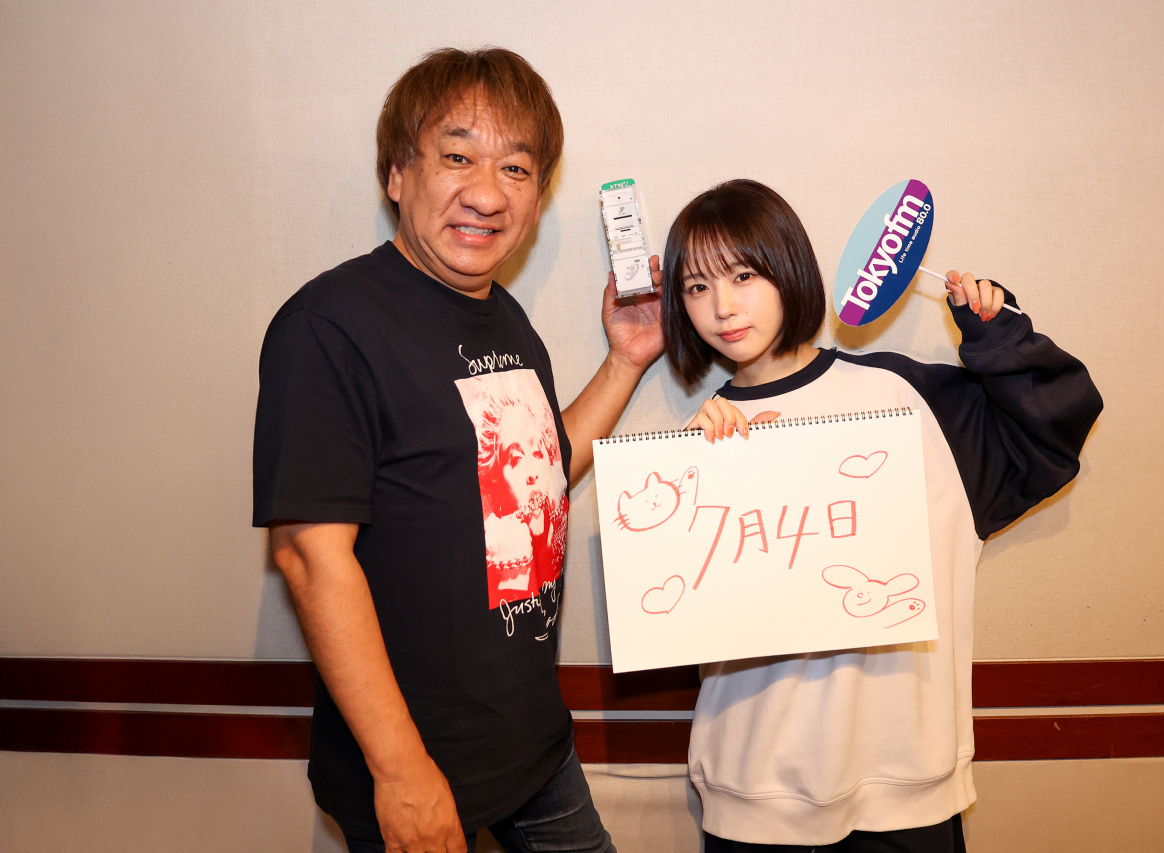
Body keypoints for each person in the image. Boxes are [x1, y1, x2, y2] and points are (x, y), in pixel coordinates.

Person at [252, 48, 663, 853]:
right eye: (457, 156)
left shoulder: (504, 317)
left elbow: (536, 469)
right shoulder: (331, 323)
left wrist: (624, 361)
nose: (486, 192)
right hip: (414, 762)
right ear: (397, 174)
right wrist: (401, 770)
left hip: (534, 745)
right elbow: (308, 556)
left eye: (516, 168)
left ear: (538, 197)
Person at [661, 180, 1103, 852]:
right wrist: (693, 472)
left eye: (743, 275)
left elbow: (1052, 432)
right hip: (752, 794)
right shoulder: (695, 446)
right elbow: (677, 617)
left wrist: (998, 335)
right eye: (697, 286)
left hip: (907, 789)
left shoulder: (906, 397)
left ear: (788, 268)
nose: (722, 306)